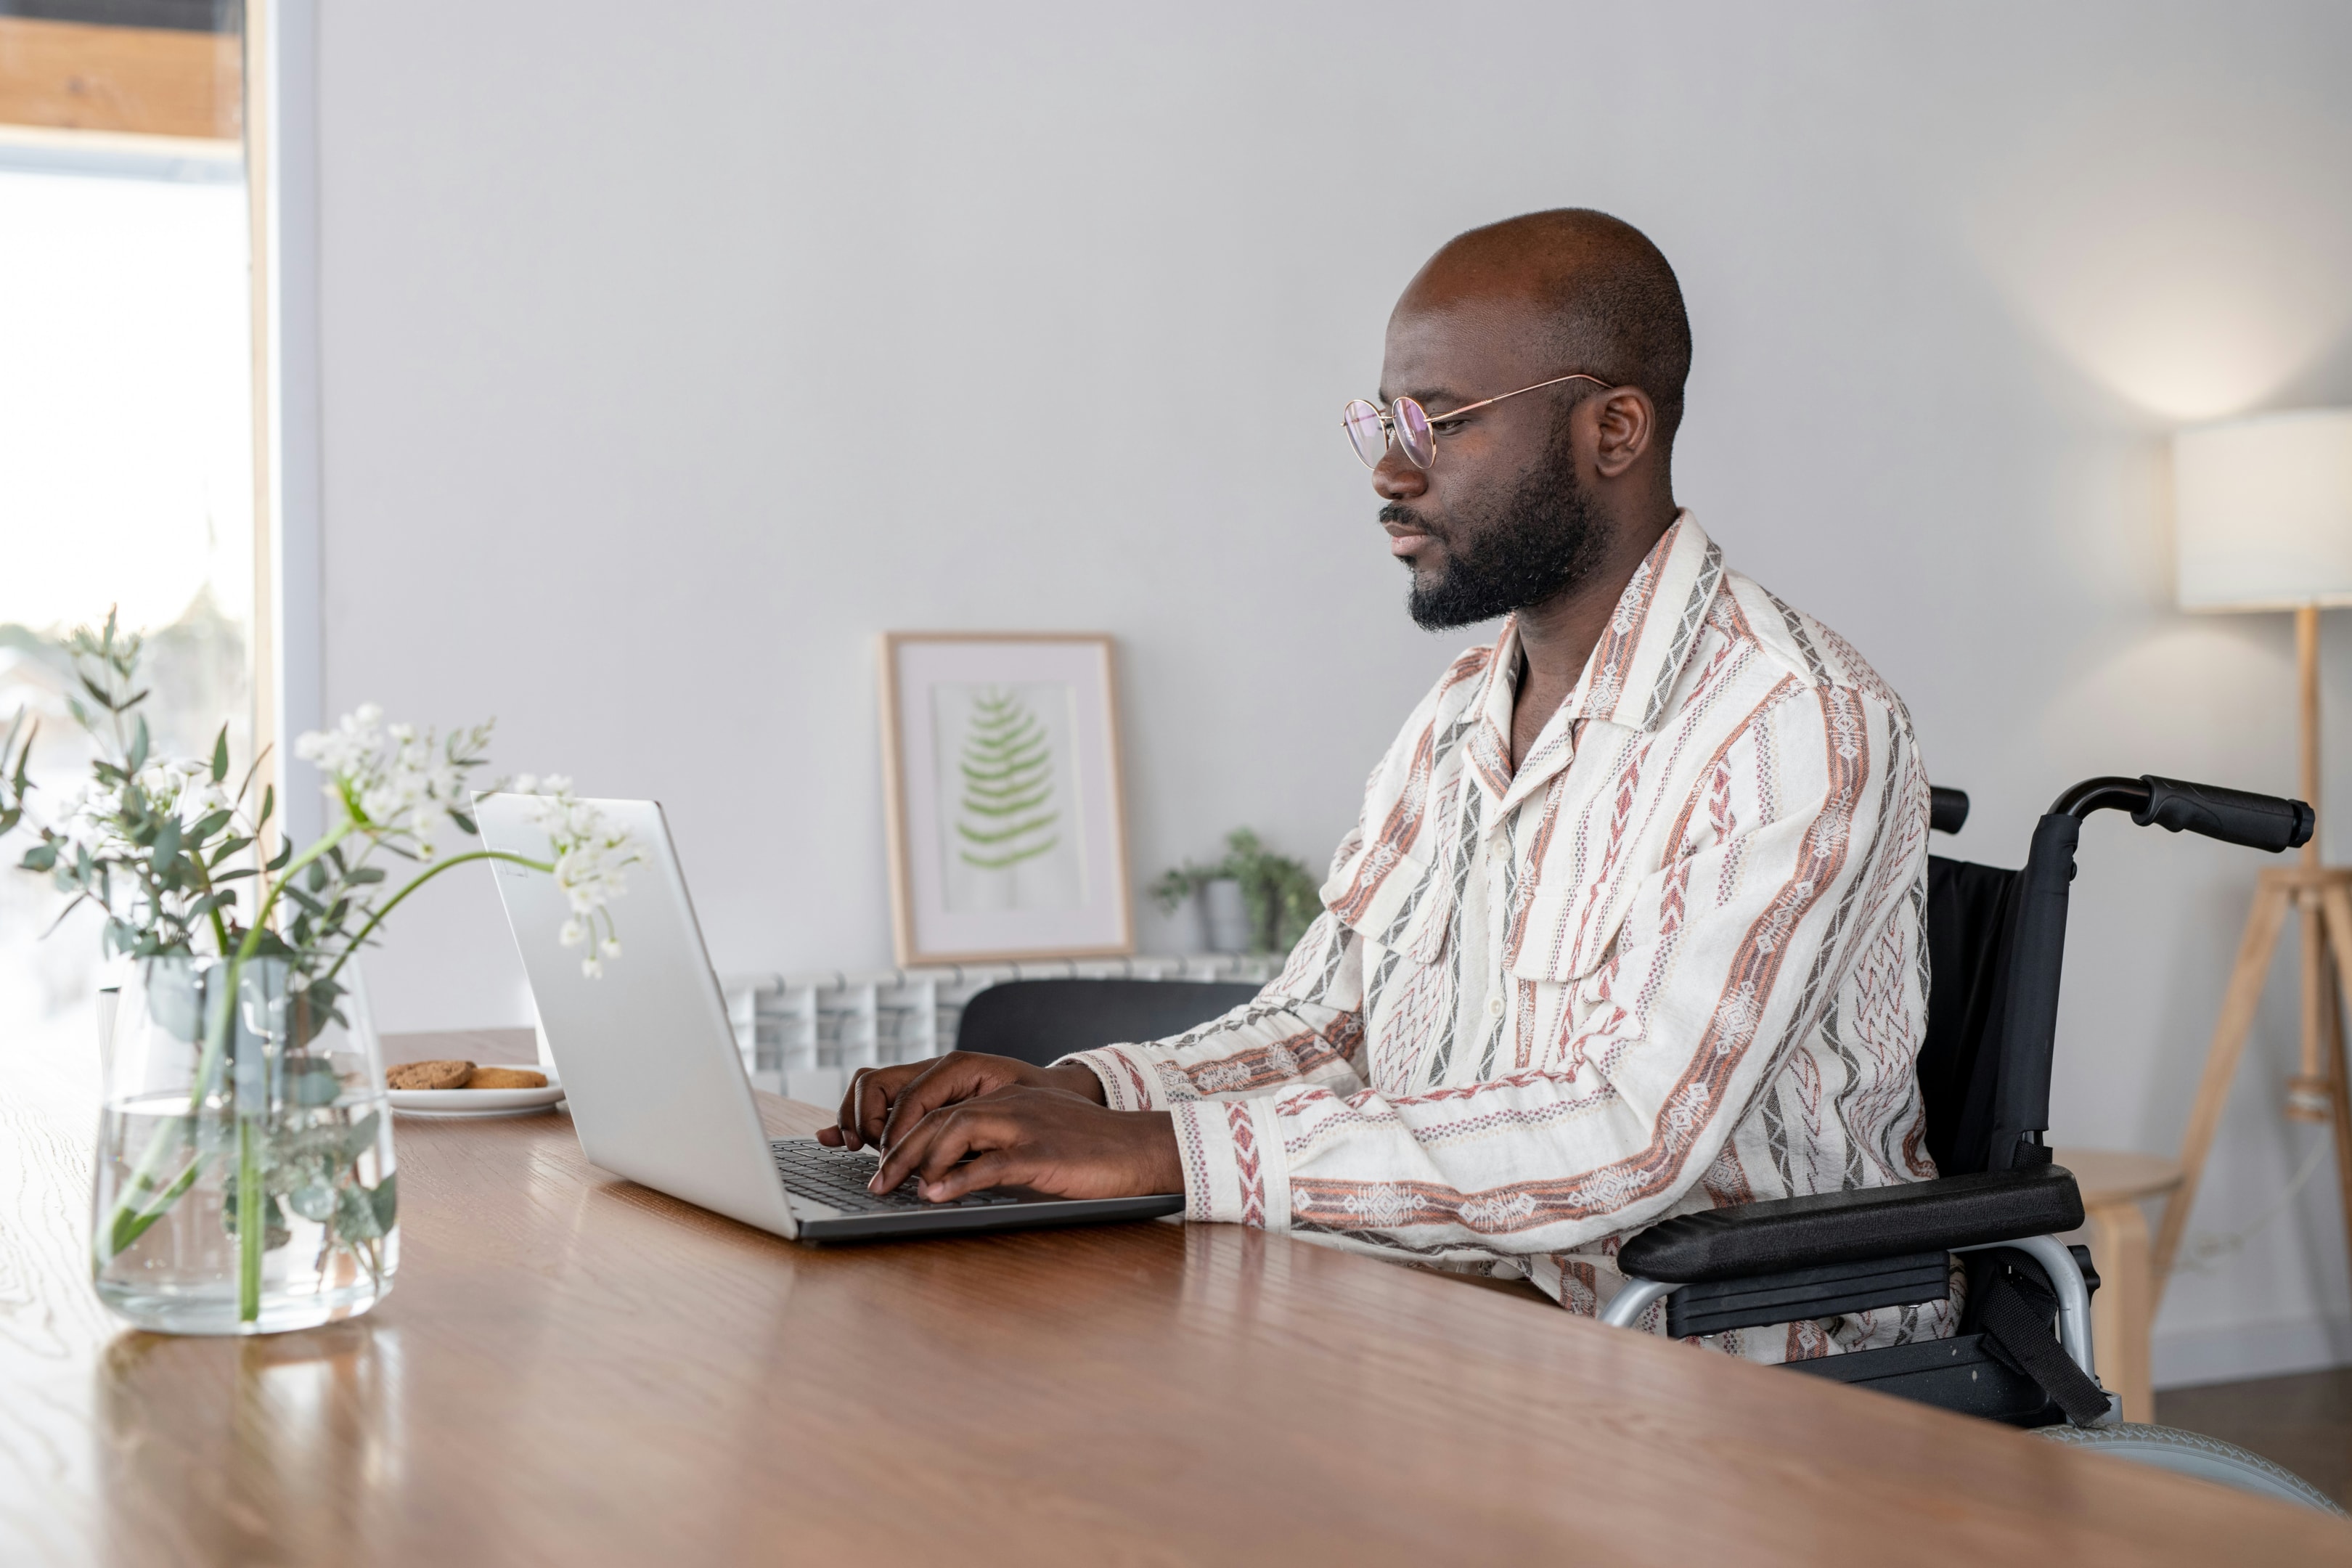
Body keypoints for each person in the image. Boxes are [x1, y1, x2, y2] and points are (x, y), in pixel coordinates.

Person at [822, 208, 1952, 1362]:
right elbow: (1332, 1022)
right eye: (1383, 419)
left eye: (1439, 423)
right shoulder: (1460, 712)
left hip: (1719, 1367)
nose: (1389, 469)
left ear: (1613, 430)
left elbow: (1628, 1135)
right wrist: (1090, 1097)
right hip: (1459, 1314)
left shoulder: (1789, 723)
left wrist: (1167, 1154)